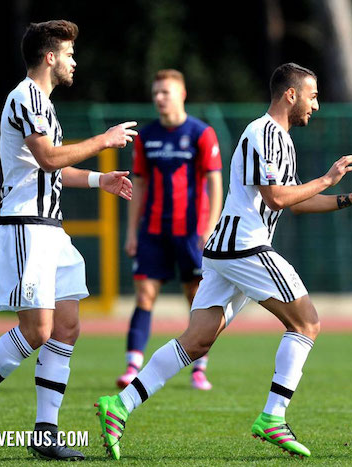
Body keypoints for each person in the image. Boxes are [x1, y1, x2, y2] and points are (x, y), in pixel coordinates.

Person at [95, 62, 352, 460]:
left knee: (197, 341)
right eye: (313, 96)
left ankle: (120, 406)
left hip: (226, 251)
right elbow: (276, 198)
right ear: (291, 94)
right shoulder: (263, 132)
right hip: (244, 247)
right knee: (307, 323)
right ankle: (273, 416)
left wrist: (349, 199)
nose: (315, 106)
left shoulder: (281, 139)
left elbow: (295, 203)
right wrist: (327, 179)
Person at [0, 20, 137, 460]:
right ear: (49, 57)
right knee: (37, 330)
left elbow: (52, 167)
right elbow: (49, 156)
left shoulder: (44, 105)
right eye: (69, 53)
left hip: (51, 229)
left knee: (66, 327)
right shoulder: (25, 97)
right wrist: (103, 141)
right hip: (25, 226)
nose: (74, 61)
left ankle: (45, 433)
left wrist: (98, 179)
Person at [116, 69, 223, 391]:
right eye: (156, 93)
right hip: (152, 230)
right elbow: (140, 184)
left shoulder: (202, 133)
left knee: (197, 298)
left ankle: (199, 368)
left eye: (165, 92)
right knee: (145, 295)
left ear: (182, 94)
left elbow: (215, 182)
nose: (159, 98)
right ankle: (133, 365)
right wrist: (132, 232)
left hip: (192, 232)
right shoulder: (147, 136)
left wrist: (211, 227)